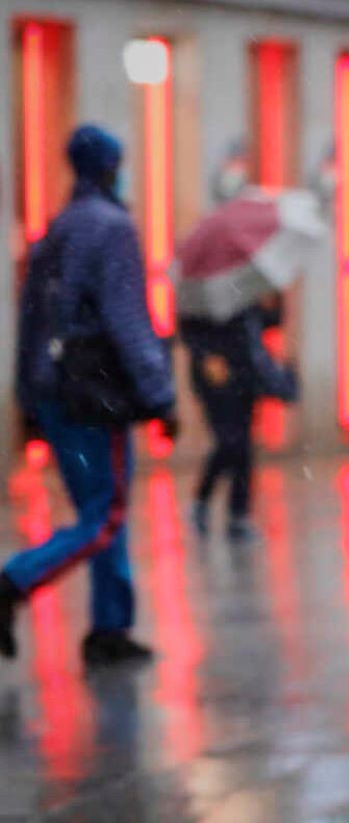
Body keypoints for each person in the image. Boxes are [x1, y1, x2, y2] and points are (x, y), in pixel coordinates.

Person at [1, 125, 177, 667]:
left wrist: (28, 396)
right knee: (105, 515)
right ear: (109, 168)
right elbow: (127, 319)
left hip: (54, 393)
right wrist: (160, 394)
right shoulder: (112, 228)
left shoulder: (56, 228)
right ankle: (14, 581)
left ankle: (110, 626)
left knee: (98, 510)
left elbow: (31, 320)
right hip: (95, 395)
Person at [181, 293, 298, 539]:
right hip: (217, 380)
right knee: (229, 442)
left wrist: (276, 300)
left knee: (243, 447)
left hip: (245, 376)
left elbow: (267, 321)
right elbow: (188, 330)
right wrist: (207, 354)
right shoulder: (202, 292)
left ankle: (238, 514)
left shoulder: (245, 290)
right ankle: (202, 501)